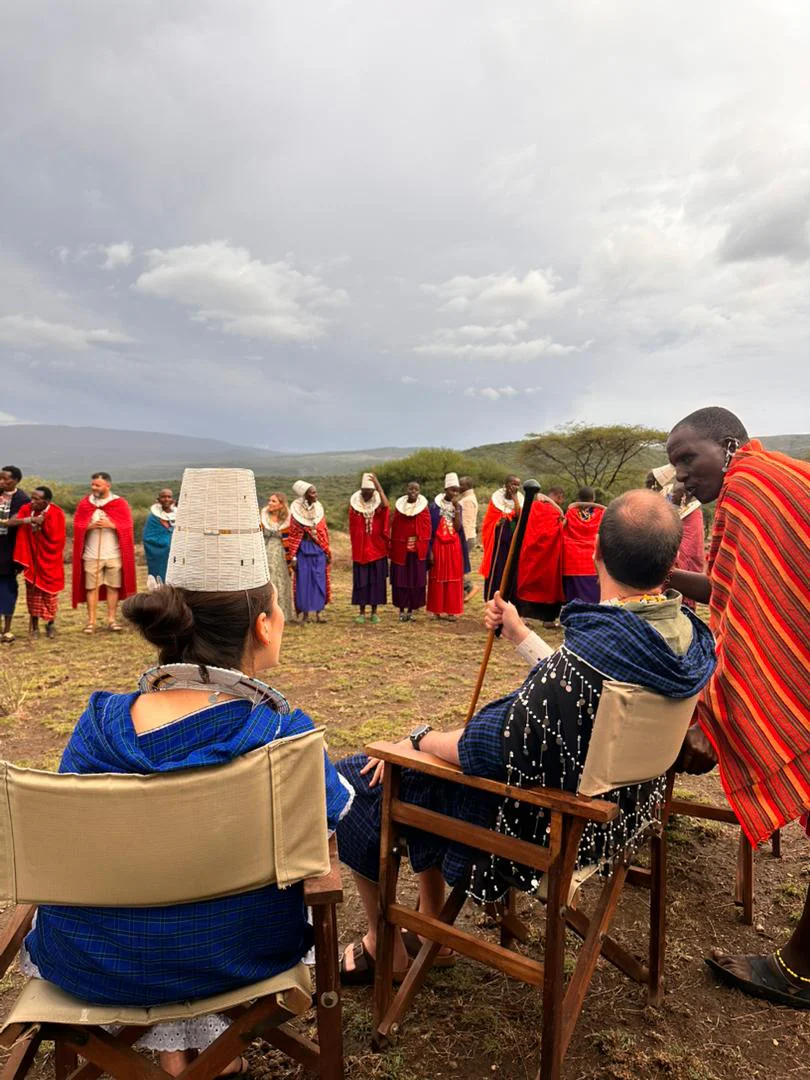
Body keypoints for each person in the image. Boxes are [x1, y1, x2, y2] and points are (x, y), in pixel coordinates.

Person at [20, 467, 353, 1078]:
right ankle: (201, 1052)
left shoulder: (98, 726)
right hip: (237, 955)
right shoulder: (285, 736)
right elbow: (326, 832)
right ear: (263, 624)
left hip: (98, 961)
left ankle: (171, 1053)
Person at [335, 489, 717, 981]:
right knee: (419, 774)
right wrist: (519, 633)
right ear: (670, 565)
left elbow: (488, 746)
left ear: (595, 552)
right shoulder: (682, 637)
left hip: (550, 824)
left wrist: (417, 740)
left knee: (360, 779)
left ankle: (383, 943)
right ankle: (432, 925)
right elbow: (588, 688)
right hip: (621, 813)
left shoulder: (595, 654)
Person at [666, 406, 810, 1007]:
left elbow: (753, 618)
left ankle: (801, 972)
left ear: (728, 445)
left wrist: (709, 713)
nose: (681, 475)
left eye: (687, 458)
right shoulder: (764, 479)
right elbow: (730, 588)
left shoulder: (750, 487)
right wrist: (665, 573)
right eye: (674, 464)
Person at [71, 472, 136, 633]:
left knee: (113, 587)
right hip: (91, 554)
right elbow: (78, 526)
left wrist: (111, 525)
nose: (94, 487)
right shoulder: (85, 504)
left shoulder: (119, 503)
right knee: (91, 587)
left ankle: (112, 620)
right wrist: (89, 526)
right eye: (92, 484)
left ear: (108, 485)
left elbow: (127, 526)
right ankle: (91, 622)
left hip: (114, 554)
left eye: (97, 485)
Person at [13, 486, 66, 637]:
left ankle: (50, 624)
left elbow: (57, 538)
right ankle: (35, 627)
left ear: (46, 501)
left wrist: (42, 526)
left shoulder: (56, 513)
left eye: (36, 499)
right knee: (33, 594)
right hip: (32, 559)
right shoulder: (26, 509)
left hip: (51, 560)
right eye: (32, 498)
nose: (32, 501)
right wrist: (30, 520)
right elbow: (13, 521)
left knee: (50, 594)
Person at [515, 484, 565, 628]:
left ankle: (523, 617)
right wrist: (563, 524)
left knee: (527, 583)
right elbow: (554, 532)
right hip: (548, 556)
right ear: (559, 497)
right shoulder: (554, 511)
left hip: (529, 552)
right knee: (548, 585)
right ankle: (548, 620)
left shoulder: (533, 506)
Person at [426, 472, 469, 621]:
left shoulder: (458, 507)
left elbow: (457, 528)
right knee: (437, 577)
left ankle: (451, 611)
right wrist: (429, 551)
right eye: (452, 490)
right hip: (438, 546)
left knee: (452, 578)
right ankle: (436, 610)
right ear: (445, 489)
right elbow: (429, 530)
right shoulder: (433, 506)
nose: (455, 493)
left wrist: (456, 509)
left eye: (457, 491)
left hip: (453, 546)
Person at [287, 481, 331, 624]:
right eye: (312, 493)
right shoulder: (296, 513)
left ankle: (319, 613)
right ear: (305, 495)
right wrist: (293, 557)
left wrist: (327, 552)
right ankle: (305, 615)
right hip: (303, 551)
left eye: (315, 492)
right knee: (304, 582)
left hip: (319, 551)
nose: (315, 495)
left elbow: (323, 532)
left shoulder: (319, 511)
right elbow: (293, 535)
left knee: (319, 581)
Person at [349, 472, 390, 624]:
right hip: (361, 551)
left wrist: (378, 486)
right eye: (365, 491)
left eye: (370, 491)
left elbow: (386, 506)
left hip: (377, 550)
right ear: (361, 491)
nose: (367, 494)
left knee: (376, 583)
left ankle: (374, 612)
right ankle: (361, 612)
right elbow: (354, 528)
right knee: (361, 583)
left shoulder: (377, 507)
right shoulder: (355, 508)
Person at [389, 481, 432, 621]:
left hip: (418, 552)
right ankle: (401, 610)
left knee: (415, 582)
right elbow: (395, 529)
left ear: (419, 492)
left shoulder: (424, 509)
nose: (413, 491)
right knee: (401, 581)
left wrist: (427, 550)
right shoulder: (399, 509)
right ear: (406, 490)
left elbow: (427, 530)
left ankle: (411, 610)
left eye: (416, 489)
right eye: (410, 489)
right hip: (401, 552)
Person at [479, 475, 523, 601]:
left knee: (510, 570)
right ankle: (492, 598)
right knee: (497, 569)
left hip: (512, 543)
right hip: (497, 545)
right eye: (513, 484)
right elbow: (488, 523)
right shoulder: (496, 500)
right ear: (506, 484)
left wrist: (515, 499)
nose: (515, 487)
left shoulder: (520, 500)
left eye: (517, 485)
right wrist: (497, 523)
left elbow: (519, 516)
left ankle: (509, 600)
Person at [0, 465, 30, 643]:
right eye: (0, 478)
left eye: (5, 479)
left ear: (16, 480)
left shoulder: (22, 499)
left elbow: (14, 521)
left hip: (9, 550)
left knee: (8, 589)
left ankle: (7, 629)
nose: (1, 482)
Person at [561, 486, 605, 604]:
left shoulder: (571, 512)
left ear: (578, 499)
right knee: (592, 598)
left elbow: (561, 529)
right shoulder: (601, 513)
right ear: (593, 499)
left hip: (573, 560)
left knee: (573, 598)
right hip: (592, 561)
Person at [668, 482, 704, 611]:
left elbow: (691, 546)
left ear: (684, 495)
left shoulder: (694, 515)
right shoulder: (679, 513)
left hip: (686, 561)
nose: (672, 496)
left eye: (675, 493)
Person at [261, 492, 294, 623]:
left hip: (281, 553)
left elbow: (291, 538)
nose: (270, 503)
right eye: (269, 500)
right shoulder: (263, 517)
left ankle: (282, 614)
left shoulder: (287, 519)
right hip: (266, 550)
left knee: (280, 579)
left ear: (281, 504)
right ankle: (266, 613)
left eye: (273, 501)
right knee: (268, 579)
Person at [143, 488, 176, 590]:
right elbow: (148, 537)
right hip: (160, 556)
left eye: (169, 497)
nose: (166, 499)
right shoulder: (153, 518)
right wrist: (167, 542)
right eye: (163, 497)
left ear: (173, 500)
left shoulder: (178, 515)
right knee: (161, 582)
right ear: (158, 500)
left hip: (177, 556)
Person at [458, 476, 479, 601]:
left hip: (466, 537)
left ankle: (470, 588)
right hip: (469, 536)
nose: (458, 486)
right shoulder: (469, 498)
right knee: (460, 564)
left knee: (459, 565)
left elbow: (465, 523)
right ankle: (464, 591)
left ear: (467, 486)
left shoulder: (467, 501)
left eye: (461, 484)